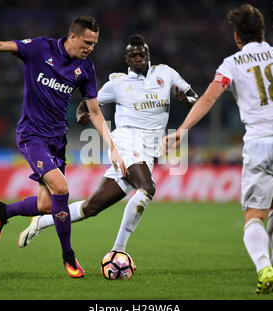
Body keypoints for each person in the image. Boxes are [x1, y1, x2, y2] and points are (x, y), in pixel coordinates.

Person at [162, 4, 273, 294]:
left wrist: (182, 130)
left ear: (237, 37)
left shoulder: (232, 63)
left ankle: (264, 265)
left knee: (253, 216)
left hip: (260, 143)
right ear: (263, 31)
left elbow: (210, 97)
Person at [0, 16, 126, 278]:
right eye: (87, 42)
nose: (91, 47)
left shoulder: (87, 69)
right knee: (62, 189)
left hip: (56, 139)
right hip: (31, 135)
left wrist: (112, 147)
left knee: (47, 204)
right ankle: (69, 257)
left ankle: (4, 212)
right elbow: (1, 46)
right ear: (73, 36)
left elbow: (94, 111)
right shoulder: (40, 49)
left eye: (94, 43)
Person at [17, 34, 198, 262]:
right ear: (127, 59)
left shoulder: (166, 74)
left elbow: (194, 98)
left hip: (149, 150)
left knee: (90, 208)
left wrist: (187, 100)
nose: (138, 58)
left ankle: (41, 222)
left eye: (142, 54)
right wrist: (81, 114)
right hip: (126, 141)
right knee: (147, 188)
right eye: (133, 55)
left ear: (148, 55)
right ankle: (118, 250)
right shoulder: (118, 83)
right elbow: (87, 104)